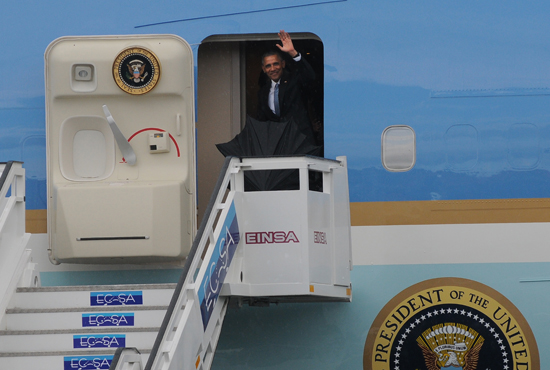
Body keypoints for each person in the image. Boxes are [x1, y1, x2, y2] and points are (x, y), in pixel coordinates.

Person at [257, 30, 317, 145]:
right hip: (277, 143)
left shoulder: (294, 81)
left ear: (283, 64)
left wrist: (293, 53)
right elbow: (262, 120)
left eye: (276, 64)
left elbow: (310, 76)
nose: (273, 68)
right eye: (268, 66)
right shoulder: (263, 92)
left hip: (300, 140)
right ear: (264, 69)